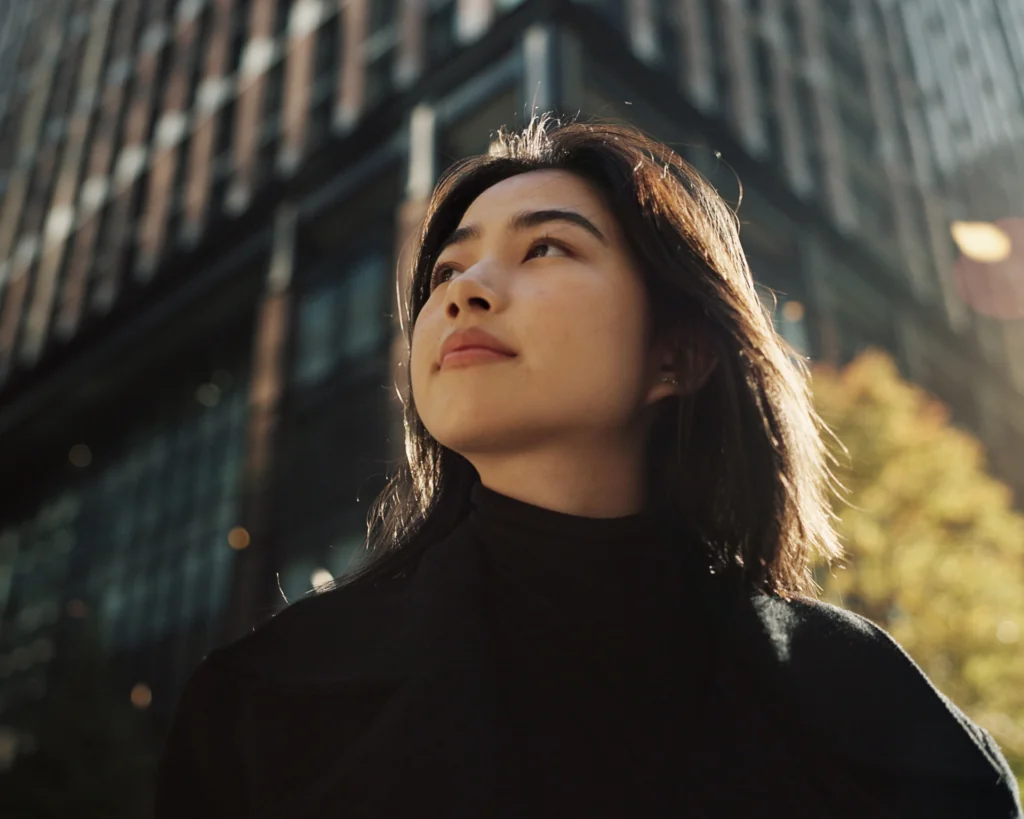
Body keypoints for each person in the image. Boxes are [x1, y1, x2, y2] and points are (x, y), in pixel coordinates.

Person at [155, 116, 1022, 818]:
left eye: (545, 249)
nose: (463, 290)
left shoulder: (882, 718)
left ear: (677, 356)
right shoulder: (265, 704)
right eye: (447, 268)